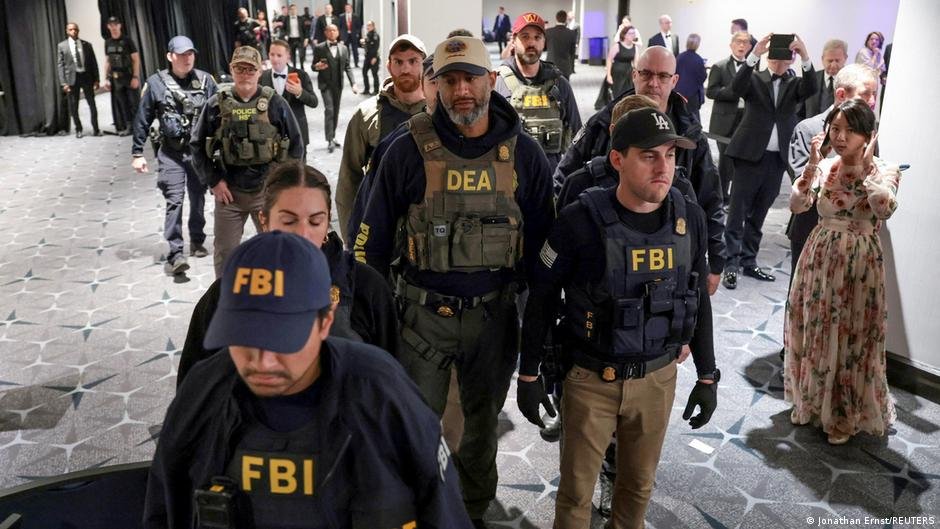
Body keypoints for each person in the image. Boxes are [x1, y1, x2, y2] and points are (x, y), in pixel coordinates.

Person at [353, 36, 554, 527]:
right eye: (449, 80)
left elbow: (545, 258)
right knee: (412, 425)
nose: (462, 90)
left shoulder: (524, 154)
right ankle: (416, 512)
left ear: (490, 80)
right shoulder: (403, 150)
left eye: (471, 77)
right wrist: (370, 330)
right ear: (434, 85)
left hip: (494, 319)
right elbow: (368, 247)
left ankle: (472, 511)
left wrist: (540, 346)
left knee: (482, 428)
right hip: (420, 319)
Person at [144, 230, 474, 529]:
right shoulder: (203, 392)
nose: (263, 361)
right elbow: (163, 507)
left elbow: (443, 511)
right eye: (244, 337)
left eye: (283, 338)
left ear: (325, 322)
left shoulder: (383, 392)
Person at [518, 106, 718, 527]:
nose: (663, 167)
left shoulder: (689, 218)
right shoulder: (579, 220)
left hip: (658, 378)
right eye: (649, 155)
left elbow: (697, 295)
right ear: (617, 159)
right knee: (575, 494)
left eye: (670, 154)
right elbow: (541, 297)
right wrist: (529, 375)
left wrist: (706, 375)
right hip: (591, 380)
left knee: (638, 488)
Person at [179, 161, 399, 383]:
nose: (303, 234)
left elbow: (391, 386)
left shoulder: (367, 288)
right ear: (264, 221)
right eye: (289, 221)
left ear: (327, 221)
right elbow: (195, 391)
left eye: (315, 221)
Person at [555, 47, 727, 297]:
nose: (653, 83)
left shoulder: (690, 134)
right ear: (634, 75)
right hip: (603, 255)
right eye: (646, 74)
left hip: (665, 255)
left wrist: (716, 261)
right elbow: (564, 182)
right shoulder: (602, 123)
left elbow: (710, 199)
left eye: (663, 76)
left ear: (674, 81)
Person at [785, 99, 899, 445]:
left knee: (853, 333)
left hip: (860, 262)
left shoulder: (886, 169)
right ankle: (814, 402)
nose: (841, 136)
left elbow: (886, 208)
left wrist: (865, 171)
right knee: (817, 326)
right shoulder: (825, 168)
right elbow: (797, 204)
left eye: (850, 130)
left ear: (869, 136)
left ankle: (845, 415)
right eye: (836, 128)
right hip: (820, 255)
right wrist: (812, 166)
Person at [782, 64, 879, 360]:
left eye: (875, 94)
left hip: (851, 241)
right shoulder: (808, 129)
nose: (873, 101)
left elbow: (873, 182)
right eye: (867, 93)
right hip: (810, 227)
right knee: (802, 297)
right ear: (841, 94)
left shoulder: (869, 132)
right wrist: (823, 162)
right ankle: (794, 355)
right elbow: (800, 179)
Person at [191, 45, 304, 277]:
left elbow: (295, 144)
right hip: (229, 194)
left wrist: (284, 186)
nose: (245, 74)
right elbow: (197, 145)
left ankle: (280, 298)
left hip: (266, 191)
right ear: (232, 70)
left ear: (258, 71)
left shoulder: (274, 103)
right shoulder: (215, 104)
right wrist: (213, 181)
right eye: (239, 68)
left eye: (250, 69)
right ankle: (224, 302)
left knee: (278, 249)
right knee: (225, 253)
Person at [721, 34, 816, 290]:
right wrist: (755, 53)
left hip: (776, 160)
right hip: (748, 155)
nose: (779, 60)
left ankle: (748, 259)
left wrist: (805, 55)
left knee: (760, 211)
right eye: (775, 55)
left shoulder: (795, 84)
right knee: (737, 210)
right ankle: (730, 263)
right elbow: (736, 87)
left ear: (792, 57)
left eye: (785, 56)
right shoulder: (754, 78)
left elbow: (812, 88)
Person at [132, 36, 217, 276]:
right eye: (181, 54)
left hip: (199, 154)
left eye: (190, 53)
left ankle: (198, 239)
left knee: (199, 199)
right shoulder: (156, 84)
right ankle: (176, 252)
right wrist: (137, 152)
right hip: (172, 153)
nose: (187, 58)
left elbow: (217, 116)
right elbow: (143, 118)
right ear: (170, 56)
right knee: (175, 200)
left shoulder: (206, 80)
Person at [337, 34, 427, 243]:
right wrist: (351, 240)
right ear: (388, 66)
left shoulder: (439, 112)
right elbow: (348, 181)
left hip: (429, 234)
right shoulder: (366, 115)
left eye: (413, 61)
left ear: (424, 65)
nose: (405, 69)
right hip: (379, 230)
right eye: (398, 62)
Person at [495, 12, 582, 172]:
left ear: (544, 42)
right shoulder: (498, 83)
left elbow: (578, 134)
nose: (531, 43)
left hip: (551, 175)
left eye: (537, 37)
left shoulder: (559, 84)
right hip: (509, 175)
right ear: (513, 41)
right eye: (525, 37)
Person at [706, 31, 751, 205]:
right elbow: (710, 92)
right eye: (738, 42)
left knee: (740, 158)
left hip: (745, 118)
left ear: (749, 47)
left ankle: (735, 194)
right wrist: (731, 92)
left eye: (745, 43)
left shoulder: (752, 68)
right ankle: (722, 195)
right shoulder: (720, 66)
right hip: (724, 120)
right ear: (731, 44)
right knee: (725, 159)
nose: (741, 46)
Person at [261, 39, 318, 156]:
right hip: (272, 136)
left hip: (297, 133)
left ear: (288, 57)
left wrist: (300, 92)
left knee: (299, 170)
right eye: (272, 54)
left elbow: (314, 102)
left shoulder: (301, 75)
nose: (275, 59)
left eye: (279, 55)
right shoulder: (263, 77)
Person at [313, 24, 358, 153]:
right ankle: (329, 140)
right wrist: (317, 67)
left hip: (338, 84)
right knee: (329, 110)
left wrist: (353, 83)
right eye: (329, 30)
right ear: (326, 33)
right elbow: (313, 66)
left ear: (338, 32)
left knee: (336, 111)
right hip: (325, 85)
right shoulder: (319, 48)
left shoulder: (344, 49)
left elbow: (348, 67)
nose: (332, 33)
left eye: (334, 30)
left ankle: (332, 135)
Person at [57, 22, 100, 138]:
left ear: (78, 31)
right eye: (71, 29)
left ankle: (96, 128)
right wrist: (63, 83)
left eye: (75, 29)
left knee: (92, 104)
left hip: (86, 77)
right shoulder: (62, 46)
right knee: (74, 106)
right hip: (72, 79)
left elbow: (93, 63)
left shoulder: (87, 45)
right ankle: (78, 129)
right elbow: (60, 66)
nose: (73, 31)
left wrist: (97, 79)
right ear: (67, 31)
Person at [103, 16, 140, 136]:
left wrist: (135, 77)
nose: (113, 27)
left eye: (115, 24)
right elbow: (108, 61)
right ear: (108, 27)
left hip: (128, 76)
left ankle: (140, 127)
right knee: (123, 104)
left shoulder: (127, 40)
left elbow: (135, 59)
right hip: (116, 78)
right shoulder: (107, 42)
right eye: (111, 25)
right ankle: (129, 127)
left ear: (120, 26)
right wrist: (106, 78)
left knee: (134, 103)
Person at [799, 39, 848, 120]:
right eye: (830, 61)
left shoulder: (852, 82)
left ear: (845, 58)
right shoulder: (810, 79)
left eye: (837, 60)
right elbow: (800, 111)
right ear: (822, 59)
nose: (833, 65)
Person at [675, 33, 706, 123]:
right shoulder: (699, 59)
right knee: (694, 119)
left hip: (679, 92)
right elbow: (702, 77)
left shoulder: (679, 57)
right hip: (693, 95)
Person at [606, 25, 638, 100]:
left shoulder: (635, 47)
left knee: (627, 93)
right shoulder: (617, 46)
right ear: (624, 35)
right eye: (630, 33)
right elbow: (609, 60)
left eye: (633, 33)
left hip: (628, 73)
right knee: (617, 93)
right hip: (617, 73)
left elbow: (636, 63)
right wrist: (608, 75)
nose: (632, 35)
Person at [544, 10, 578, 79]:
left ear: (556, 19)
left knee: (550, 88)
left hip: (550, 66)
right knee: (564, 88)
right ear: (566, 19)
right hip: (565, 68)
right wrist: (571, 68)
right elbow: (572, 53)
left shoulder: (548, 32)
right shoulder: (571, 33)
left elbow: (544, 48)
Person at [277, 4, 307, 68]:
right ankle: (294, 67)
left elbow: (305, 29)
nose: (293, 11)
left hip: (300, 39)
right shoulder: (286, 19)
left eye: (294, 9)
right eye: (292, 9)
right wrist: (285, 35)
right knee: (292, 55)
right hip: (290, 39)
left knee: (301, 54)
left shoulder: (301, 18)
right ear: (290, 10)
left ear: (296, 10)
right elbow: (283, 28)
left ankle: (302, 67)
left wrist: (306, 38)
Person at [339, 3, 362, 68]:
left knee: (355, 50)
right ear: (345, 9)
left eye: (349, 8)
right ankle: (347, 64)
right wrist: (341, 36)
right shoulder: (341, 16)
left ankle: (356, 63)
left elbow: (359, 26)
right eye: (346, 8)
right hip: (345, 36)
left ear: (351, 8)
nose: (347, 9)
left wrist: (357, 33)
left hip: (353, 35)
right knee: (346, 50)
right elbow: (339, 27)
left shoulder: (356, 16)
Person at [361, 21, 381, 95]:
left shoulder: (375, 35)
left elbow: (376, 47)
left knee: (374, 74)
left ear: (373, 26)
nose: (367, 27)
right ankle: (366, 89)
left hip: (374, 58)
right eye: (367, 25)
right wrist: (363, 43)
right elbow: (367, 46)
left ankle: (376, 90)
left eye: (369, 25)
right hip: (367, 57)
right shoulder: (368, 35)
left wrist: (375, 58)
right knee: (364, 72)